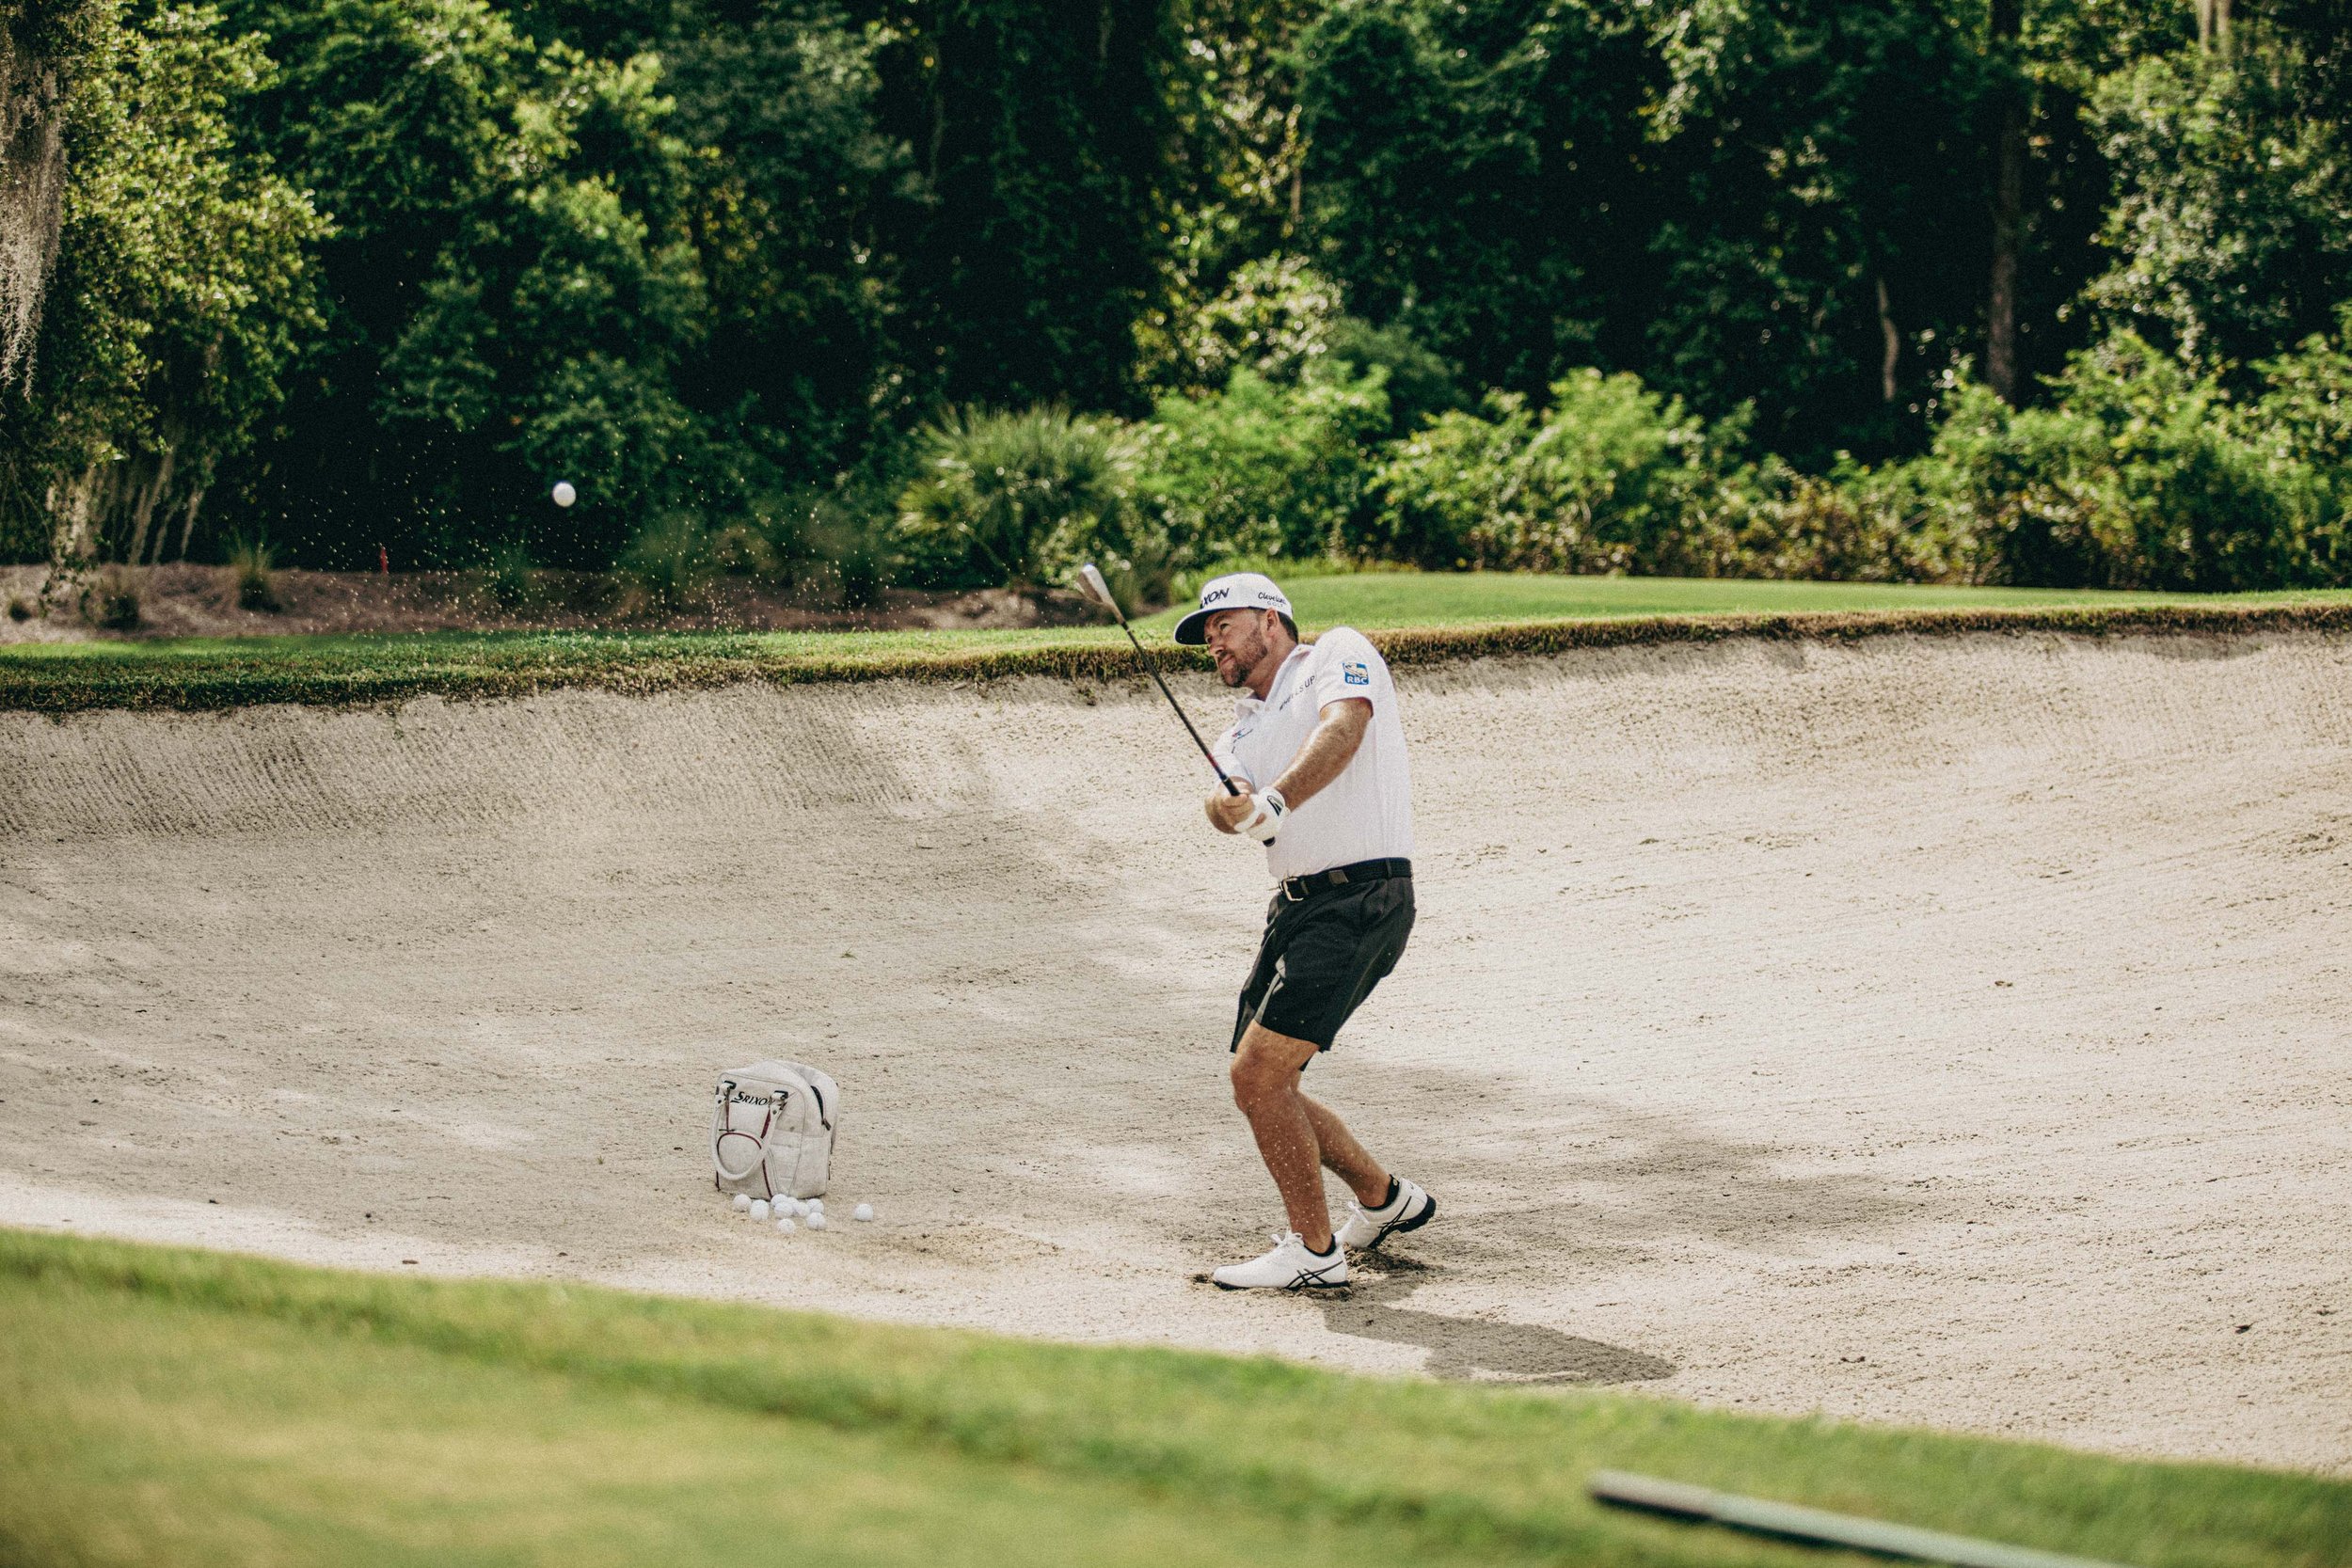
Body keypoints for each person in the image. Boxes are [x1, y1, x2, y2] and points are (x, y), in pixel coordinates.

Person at [1175, 572, 1438, 1291]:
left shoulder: (1334, 656)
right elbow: (1221, 794)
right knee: (1264, 1082)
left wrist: (1278, 800)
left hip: (1363, 894)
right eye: (1205, 634)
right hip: (1294, 909)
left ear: (1270, 618)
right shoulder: (1241, 726)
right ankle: (1383, 1198)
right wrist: (1232, 808)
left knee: (1259, 1076)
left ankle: (1315, 1254)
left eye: (1222, 625)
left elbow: (1343, 727)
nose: (1212, 642)